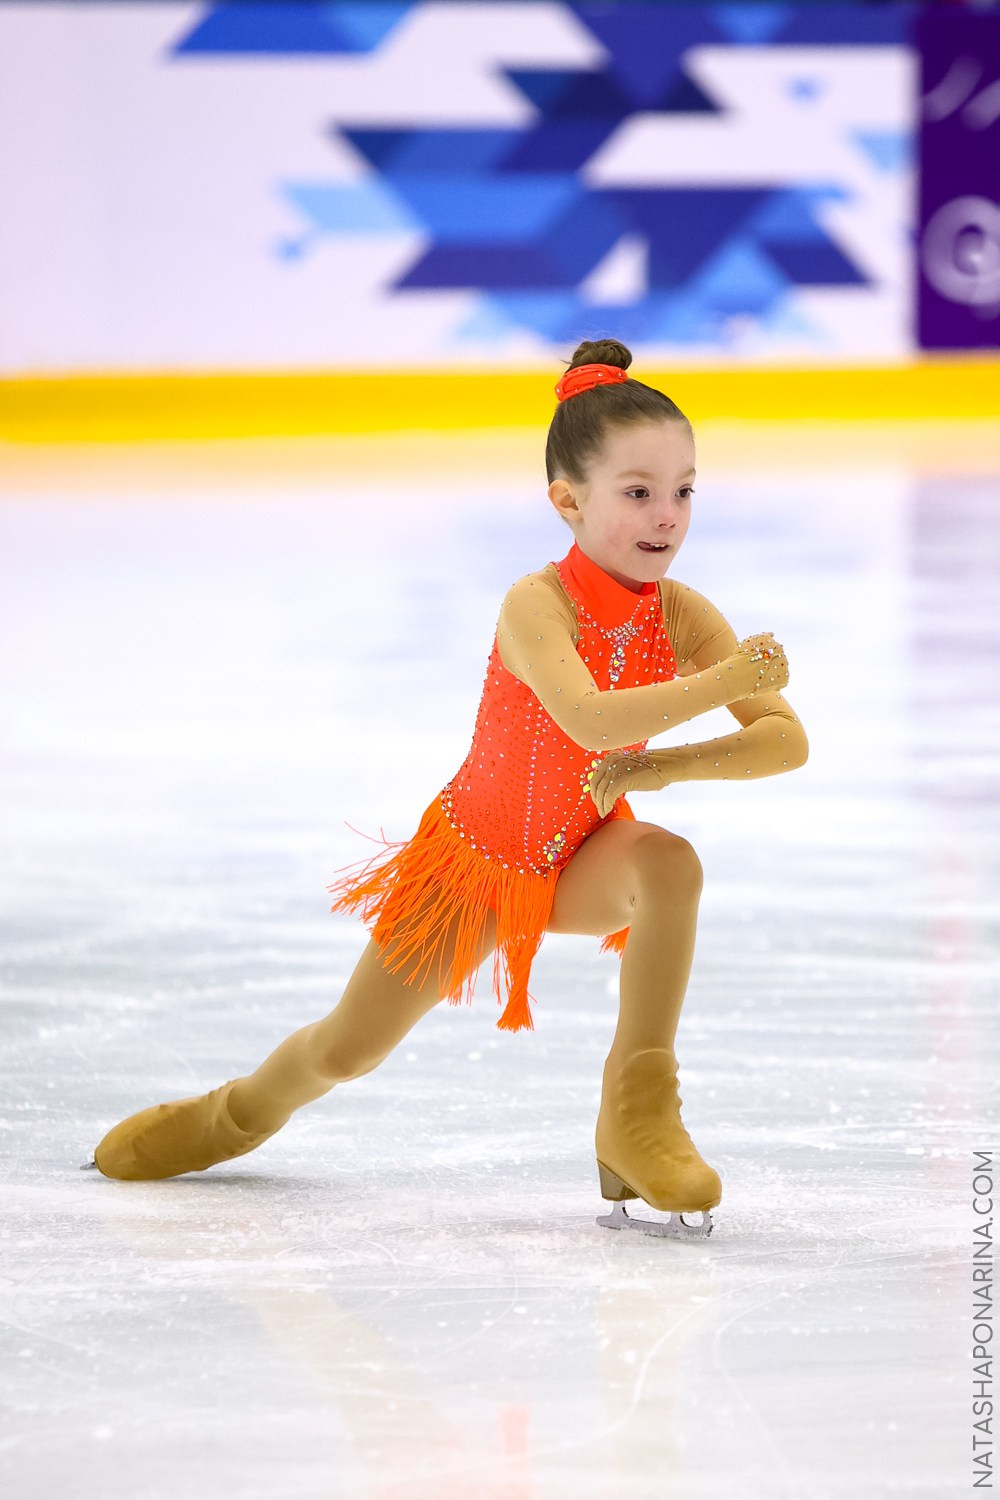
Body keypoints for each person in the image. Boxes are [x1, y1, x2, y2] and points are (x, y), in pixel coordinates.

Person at [88, 337, 808, 1238]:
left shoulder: (684, 614)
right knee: (347, 1049)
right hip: (471, 864)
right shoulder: (534, 604)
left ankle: (637, 1114)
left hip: (582, 848)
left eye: (684, 490)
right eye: (638, 492)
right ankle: (225, 1118)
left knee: (669, 866)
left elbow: (786, 742)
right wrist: (726, 682)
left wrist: (663, 766)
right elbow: (587, 719)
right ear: (567, 500)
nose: (668, 515)